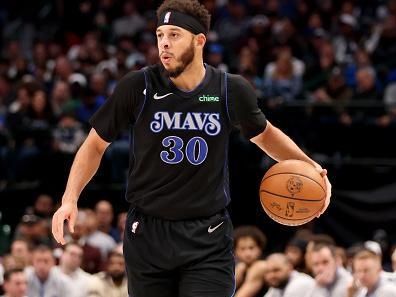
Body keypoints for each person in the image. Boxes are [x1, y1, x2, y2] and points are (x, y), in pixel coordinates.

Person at [51, 1, 332, 296]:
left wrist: (311, 167)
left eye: (174, 35)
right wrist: (70, 198)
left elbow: (266, 135)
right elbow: (94, 144)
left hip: (207, 236)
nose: (164, 44)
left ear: (199, 41)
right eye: (160, 35)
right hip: (148, 234)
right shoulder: (139, 86)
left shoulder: (229, 89)